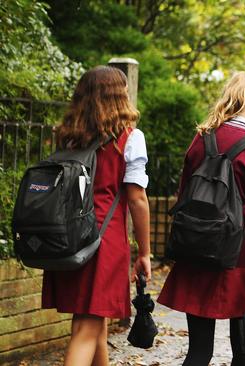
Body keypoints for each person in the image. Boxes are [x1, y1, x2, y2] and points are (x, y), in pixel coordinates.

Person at [158, 72, 245, 366]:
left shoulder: (200, 141)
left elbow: (183, 195)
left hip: (196, 254)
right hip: (241, 261)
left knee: (198, 352)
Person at [41, 66, 152, 366]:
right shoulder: (129, 138)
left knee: (95, 324)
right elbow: (137, 198)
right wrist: (145, 252)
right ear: (120, 96)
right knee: (85, 329)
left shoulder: (68, 136)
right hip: (102, 240)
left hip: (69, 238)